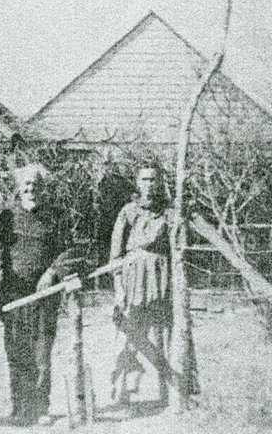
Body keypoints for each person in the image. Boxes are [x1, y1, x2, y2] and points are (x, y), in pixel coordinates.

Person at [0, 164, 73, 426]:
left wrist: (52, 272)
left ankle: (41, 407)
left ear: (42, 188)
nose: (30, 189)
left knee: (41, 352)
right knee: (16, 351)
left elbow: (68, 250)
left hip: (45, 296)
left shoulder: (55, 216)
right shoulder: (6, 217)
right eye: (25, 185)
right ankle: (20, 408)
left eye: (35, 185)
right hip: (14, 296)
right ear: (18, 189)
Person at [107, 165, 173, 408]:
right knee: (131, 333)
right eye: (144, 179)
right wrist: (119, 287)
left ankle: (168, 392)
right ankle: (122, 388)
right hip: (133, 279)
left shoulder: (169, 212)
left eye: (154, 179)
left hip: (162, 279)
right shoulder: (128, 211)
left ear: (161, 181)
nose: (149, 184)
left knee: (163, 334)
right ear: (137, 181)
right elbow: (115, 252)